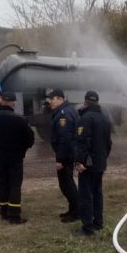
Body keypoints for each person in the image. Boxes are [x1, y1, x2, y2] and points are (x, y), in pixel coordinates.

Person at [0, 89, 35, 225]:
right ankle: (14, 215)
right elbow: (30, 140)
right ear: (13, 103)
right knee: (15, 185)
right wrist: (21, 148)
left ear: (3, 101)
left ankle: (4, 211)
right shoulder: (20, 120)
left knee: (2, 183)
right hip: (16, 157)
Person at [74, 90, 113, 237]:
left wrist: (79, 162)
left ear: (85, 102)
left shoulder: (86, 118)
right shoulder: (104, 119)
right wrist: (102, 158)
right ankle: (98, 222)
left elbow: (82, 142)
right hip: (99, 164)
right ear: (97, 102)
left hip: (87, 165)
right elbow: (109, 143)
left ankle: (87, 228)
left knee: (86, 195)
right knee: (97, 193)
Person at [46, 88, 79, 222]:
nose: (50, 102)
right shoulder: (65, 111)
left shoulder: (63, 114)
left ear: (60, 99)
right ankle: (73, 210)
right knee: (67, 182)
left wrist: (60, 159)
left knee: (66, 184)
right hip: (68, 153)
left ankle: (76, 212)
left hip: (66, 155)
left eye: (52, 99)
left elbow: (65, 139)